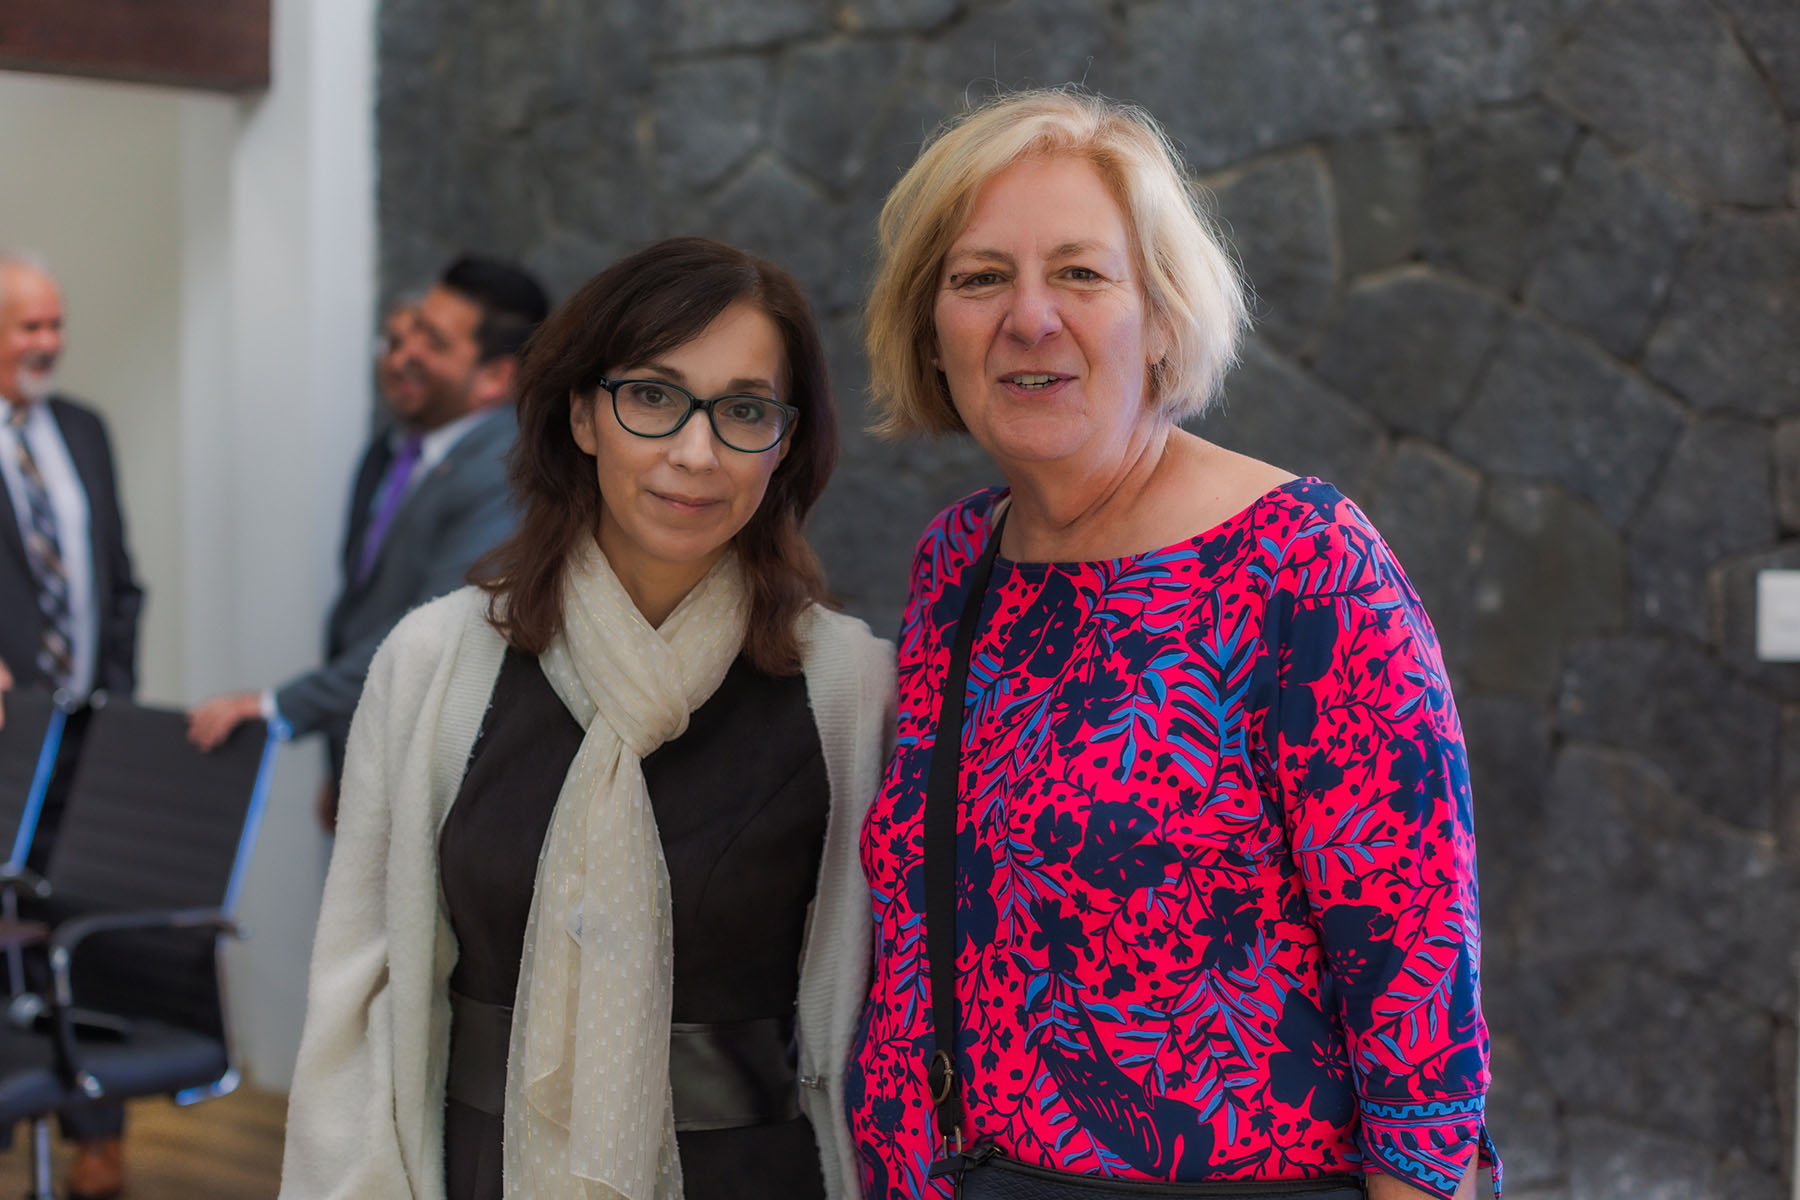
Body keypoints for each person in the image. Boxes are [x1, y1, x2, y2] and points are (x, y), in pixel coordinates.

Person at [851, 89, 1498, 1200]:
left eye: (1081, 274)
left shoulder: (1301, 563)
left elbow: (1418, 1007)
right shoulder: (958, 563)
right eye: (980, 277)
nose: (1029, 316)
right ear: (932, 328)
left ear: (1161, 316)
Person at [278, 236, 895, 1200]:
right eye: (652, 396)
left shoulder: (852, 689)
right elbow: (356, 1009)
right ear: (581, 413)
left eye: (742, 410)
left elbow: (878, 1027)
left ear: (785, 441)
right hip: (483, 1168)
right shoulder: (436, 665)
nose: (696, 453)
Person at [186, 255, 548, 828]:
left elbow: (434, 629)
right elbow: (360, 610)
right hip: (377, 767)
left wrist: (277, 707)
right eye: (404, 334)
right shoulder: (392, 453)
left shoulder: (505, 473)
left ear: (495, 378)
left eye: (432, 341)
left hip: (452, 792)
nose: (401, 354)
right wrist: (344, 756)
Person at [0, 252, 144, 1200]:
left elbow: (117, 580)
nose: (49, 344)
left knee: (90, 926)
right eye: (29, 328)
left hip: (92, 738)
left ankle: (99, 1131)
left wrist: (120, 703)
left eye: (55, 325)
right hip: (5, 747)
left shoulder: (83, 429)